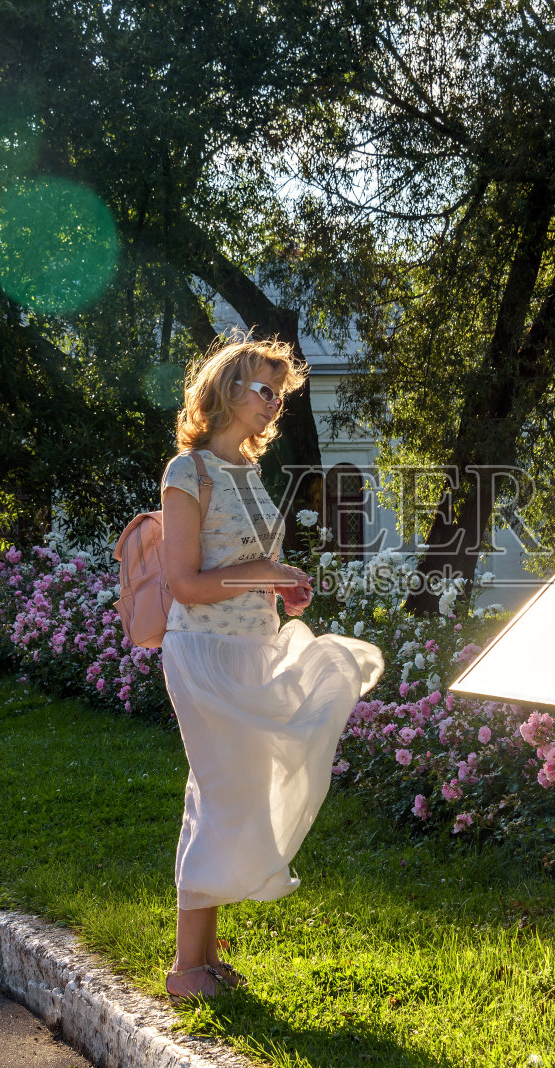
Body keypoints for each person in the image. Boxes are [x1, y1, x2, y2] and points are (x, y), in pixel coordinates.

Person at [157, 336, 385, 1003]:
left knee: (225, 797)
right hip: (202, 652)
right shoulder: (187, 472)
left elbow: (243, 573)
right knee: (226, 796)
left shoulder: (250, 474)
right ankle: (186, 969)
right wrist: (263, 573)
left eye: (280, 392)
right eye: (264, 388)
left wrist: (279, 590)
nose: (275, 402)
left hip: (256, 644)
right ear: (228, 391)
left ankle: (197, 963)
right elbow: (185, 584)